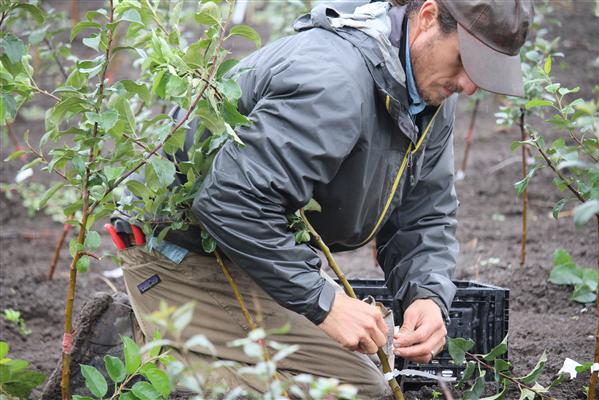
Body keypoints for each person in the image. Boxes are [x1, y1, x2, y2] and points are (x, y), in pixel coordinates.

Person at [116, 0, 533, 398]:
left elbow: (424, 213)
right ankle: (126, 362)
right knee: (357, 390)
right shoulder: (334, 80)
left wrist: (426, 294)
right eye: (464, 61)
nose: (469, 84)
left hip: (255, 247)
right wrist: (324, 301)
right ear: (426, 18)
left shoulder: (428, 90)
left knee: (382, 359)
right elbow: (231, 201)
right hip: (182, 250)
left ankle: (166, 339)